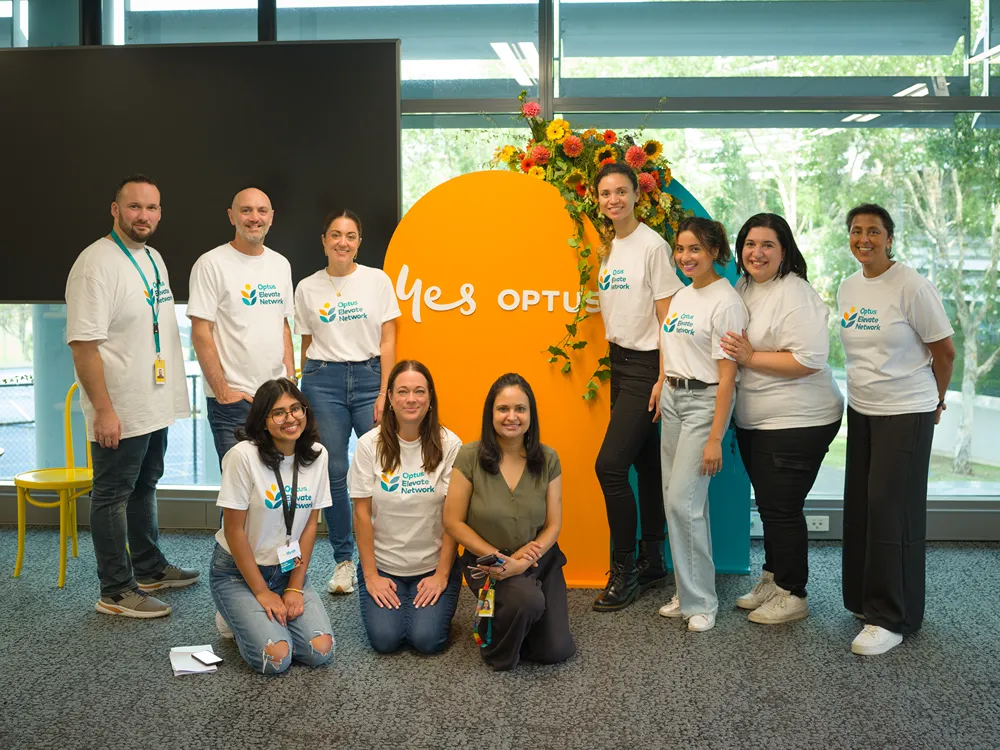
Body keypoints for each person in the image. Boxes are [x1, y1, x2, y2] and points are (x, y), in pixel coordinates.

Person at [66, 174, 198, 618]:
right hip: (119, 405)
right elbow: (83, 345)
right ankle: (116, 591)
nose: (145, 215)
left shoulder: (154, 258)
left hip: (151, 401)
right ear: (115, 209)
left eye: (153, 208)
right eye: (135, 207)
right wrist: (103, 410)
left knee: (145, 484)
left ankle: (148, 568)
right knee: (112, 493)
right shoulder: (95, 264)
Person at [837, 203, 955, 656]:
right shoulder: (849, 285)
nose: (863, 239)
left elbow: (944, 352)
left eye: (873, 231)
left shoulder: (911, 286)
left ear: (890, 237)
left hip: (906, 410)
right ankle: (865, 602)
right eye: (856, 231)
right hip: (863, 409)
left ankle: (894, 617)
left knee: (892, 511)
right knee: (862, 509)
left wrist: (937, 401)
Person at [720, 214, 844, 624]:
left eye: (768, 245)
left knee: (781, 507)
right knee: (772, 506)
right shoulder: (744, 287)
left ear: (784, 251)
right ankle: (774, 578)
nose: (757, 252)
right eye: (750, 243)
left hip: (799, 420)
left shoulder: (796, 294)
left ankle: (794, 594)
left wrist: (750, 357)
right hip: (758, 419)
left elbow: (810, 359)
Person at [591, 162, 685, 612]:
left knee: (610, 467)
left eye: (621, 191)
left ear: (635, 195)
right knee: (646, 466)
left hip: (649, 366)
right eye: (606, 192)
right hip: (620, 364)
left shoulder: (652, 245)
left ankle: (624, 570)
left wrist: (663, 376)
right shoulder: (611, 246)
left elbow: (669, 317)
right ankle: (653, 560)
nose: (614, 199)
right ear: (598, 199)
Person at [295, 209, 400, 595]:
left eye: (351, 235)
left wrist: (385, 390)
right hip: (323, 380)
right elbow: (306, 342)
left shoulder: (377, 281)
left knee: (382, 465)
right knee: (333, 468)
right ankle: (344, 561)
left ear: (359, 242)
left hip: (371, 377)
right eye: (336, 234)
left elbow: (388, 339)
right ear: (323, 240)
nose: (343, 242)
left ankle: (388, 556)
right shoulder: (307, 287)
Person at [443, 373, 575, 671]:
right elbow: (452, 521)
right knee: (527, 601)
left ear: (531, 414)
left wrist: (524, 561)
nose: (512, 417)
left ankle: (520, 623)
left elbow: (553, 524)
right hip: (488, 564)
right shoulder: (469, 456)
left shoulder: (548, 458)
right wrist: (504, 560)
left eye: (520, 409)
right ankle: (497, 650)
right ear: (491, 413)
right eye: (503, 409)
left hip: (540, 558)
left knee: (556, 650)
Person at [657, 217, 748, 633]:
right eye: (680, 248)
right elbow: (670, 342)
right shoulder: (682, 295)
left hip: (703, 404)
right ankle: (688, 590)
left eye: (695, 249)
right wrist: (662, 381)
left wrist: (716, 436)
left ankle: (702, 603)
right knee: (682, 505)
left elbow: (728, 375)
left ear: (714, 251)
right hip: (674, 400)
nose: (685, 256)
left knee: (683, 503)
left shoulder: (725, 301)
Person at [211, 378, 335, 674]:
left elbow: (308, 527)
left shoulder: (317, 455)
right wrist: (262, 592)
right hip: (237, 573)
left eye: (296, 408)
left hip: (287, 569)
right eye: (279, 413)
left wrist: (293, 587)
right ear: (263, 422)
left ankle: (260, 617)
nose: (291, 418)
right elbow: (234, 531)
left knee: (320, 651)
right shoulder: (243, 457)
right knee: (277, 659)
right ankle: (234, 613)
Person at [347, 360, 463, 654]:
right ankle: (392, 598)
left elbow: (453, 516)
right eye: (402, 391)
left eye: (419, 391)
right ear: (390, 399)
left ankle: (425, 603)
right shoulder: (367, 445)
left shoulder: (450, 444)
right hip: (385, 566)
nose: (411, 399)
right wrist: (372, 576)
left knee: (427, 641)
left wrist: (441, 575)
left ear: (430, 398)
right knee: (385, 641)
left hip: (432, 565)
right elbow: (361, 514)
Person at [188, 187, 295, 468]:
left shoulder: (280, 264)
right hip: (234, 403)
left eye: (261, 211)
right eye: (246, 210)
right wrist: (222, 391)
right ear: (231, 216)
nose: (254, 218)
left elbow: (283, 325)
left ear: (271, 217)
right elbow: (201, 332)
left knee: (278, 486)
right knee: (240, 494)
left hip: (277, 400)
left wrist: (291, 381)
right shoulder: (211, 264)